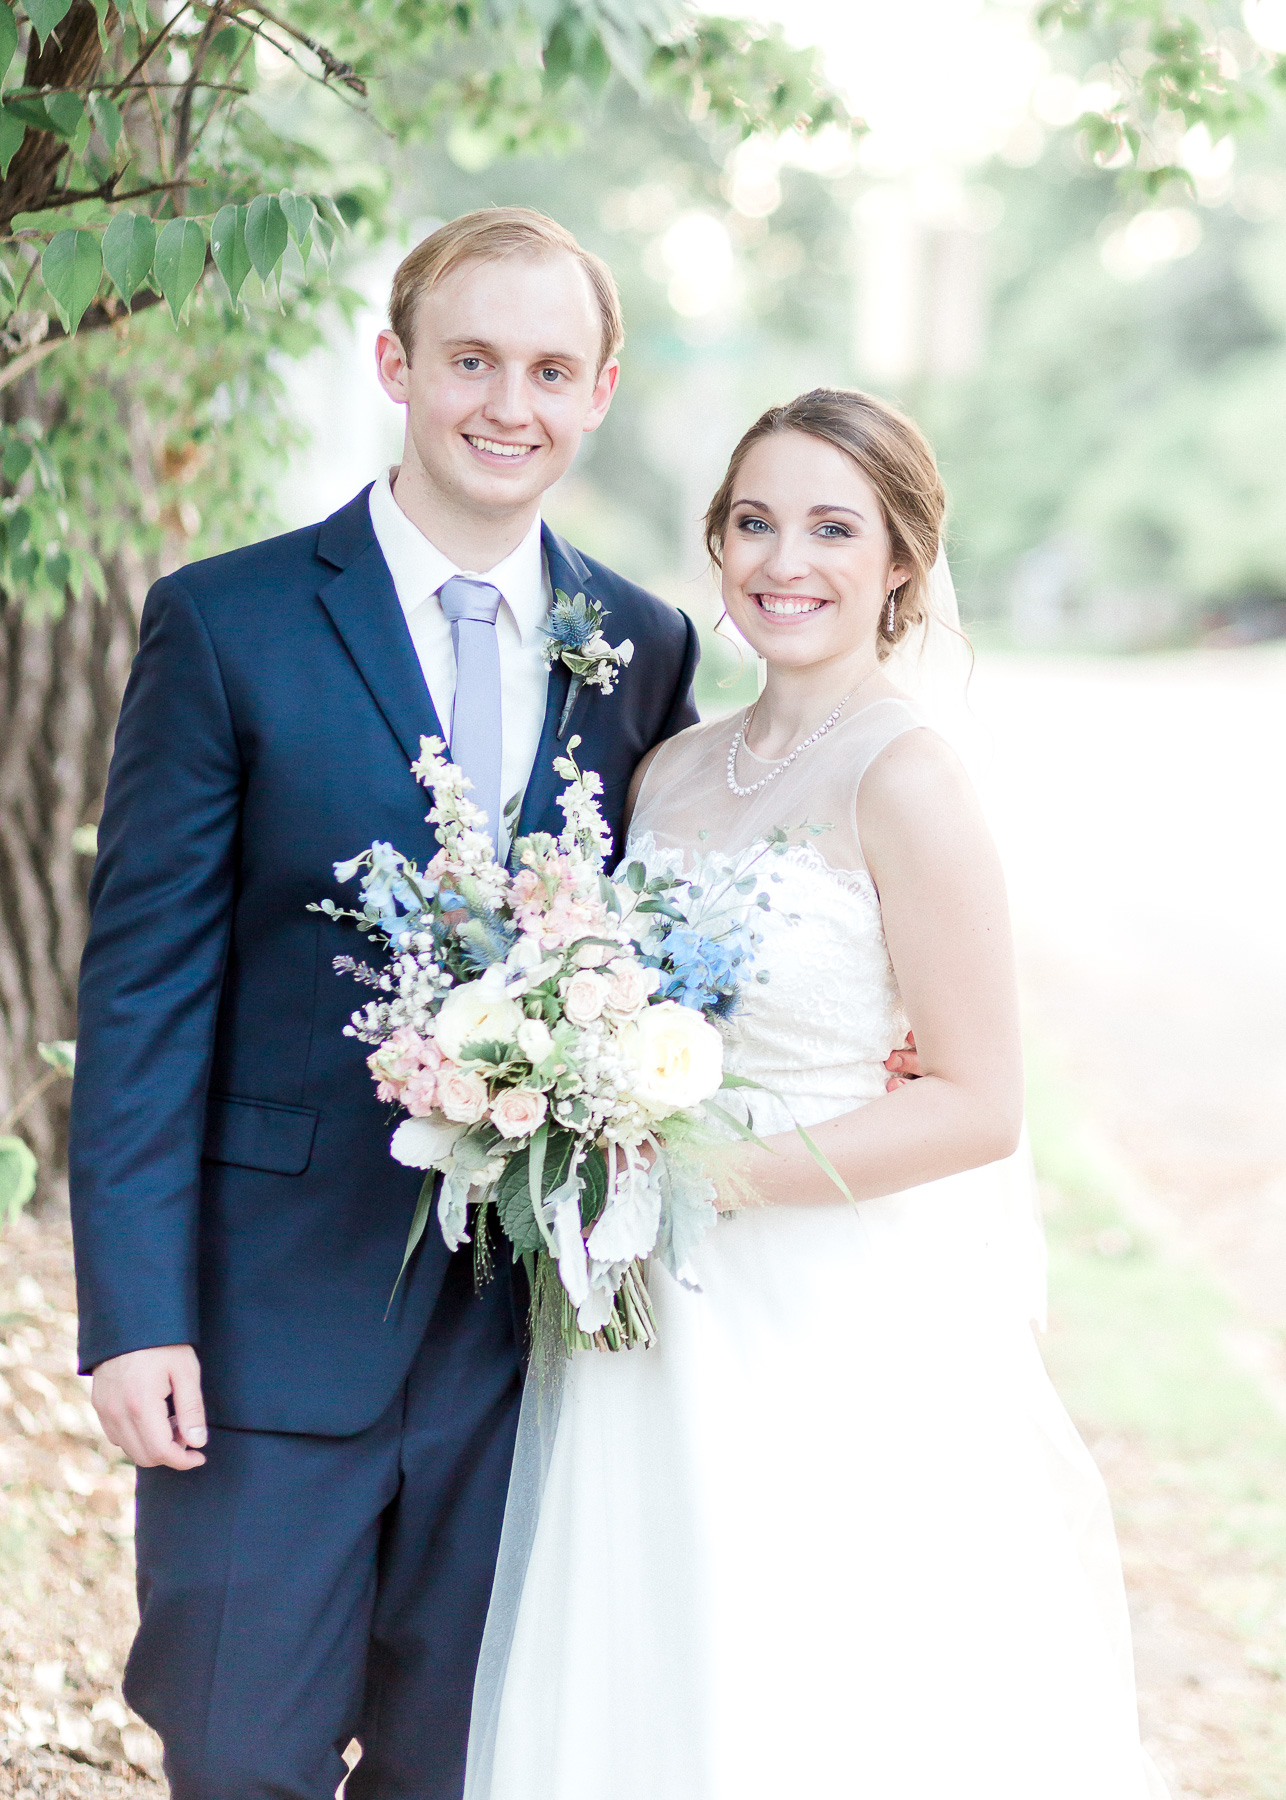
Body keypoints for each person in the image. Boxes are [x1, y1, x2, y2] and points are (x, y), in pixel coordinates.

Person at [67, 207, 699, 1800]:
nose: (509, 403)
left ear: (601, 387)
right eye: (470, 358)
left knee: (462, 1769)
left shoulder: (642, 646)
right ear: (393, 365)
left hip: (529, 1347)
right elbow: (144, 988)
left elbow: (672, 943)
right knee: (239, 1756)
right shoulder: (228, 619)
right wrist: (137, 1311)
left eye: (551, 368)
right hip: (262, 1329)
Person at [464, 388, 1171, 1800]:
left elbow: (977, 1101)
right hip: (646, 1325)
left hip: (831, 1313)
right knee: (649, 1666)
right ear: (717, 547)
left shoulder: (907, 774)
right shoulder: (668, 772)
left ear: (899, 560)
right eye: (754, 523)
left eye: (832, 527)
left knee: (820, 1689)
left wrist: (690, 1173)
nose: (786, 560)